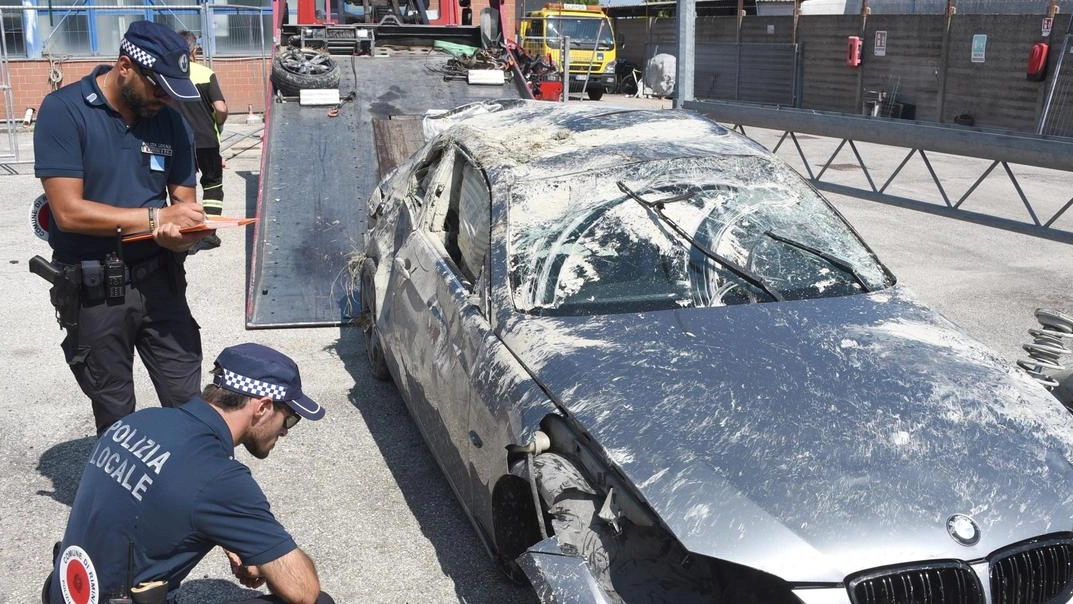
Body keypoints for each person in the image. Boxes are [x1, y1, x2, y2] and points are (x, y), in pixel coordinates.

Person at [43, 343, 335, 604]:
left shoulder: (138, 422)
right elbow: (302, 591)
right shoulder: (219, 478)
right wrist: (262, 551)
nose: (285, 430)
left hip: (63, 592)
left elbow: (163, 500)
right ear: (263, 408)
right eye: (290, 418)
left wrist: (236, 537)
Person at [33, 20, 213, 435]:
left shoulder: (171, 121)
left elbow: (183, 204)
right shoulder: (65, 111)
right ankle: (121, 497)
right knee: (116, 414)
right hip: (96, 288)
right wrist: (154, 220)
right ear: (126, 65)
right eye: (158, 88)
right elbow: (68, 212)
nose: (166, 99)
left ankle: (187, 495)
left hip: (160, 280)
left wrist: (180, 236)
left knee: (190, 405)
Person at [175, 30, 228, 253]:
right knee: (212, 185)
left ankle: (185, 233)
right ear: (194, 50)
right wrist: (219, 122)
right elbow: (221, 108)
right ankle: (208, 234)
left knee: (181, 186)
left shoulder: (168, 75)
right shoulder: (206, 74)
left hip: (177, 141)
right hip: (206, 140)